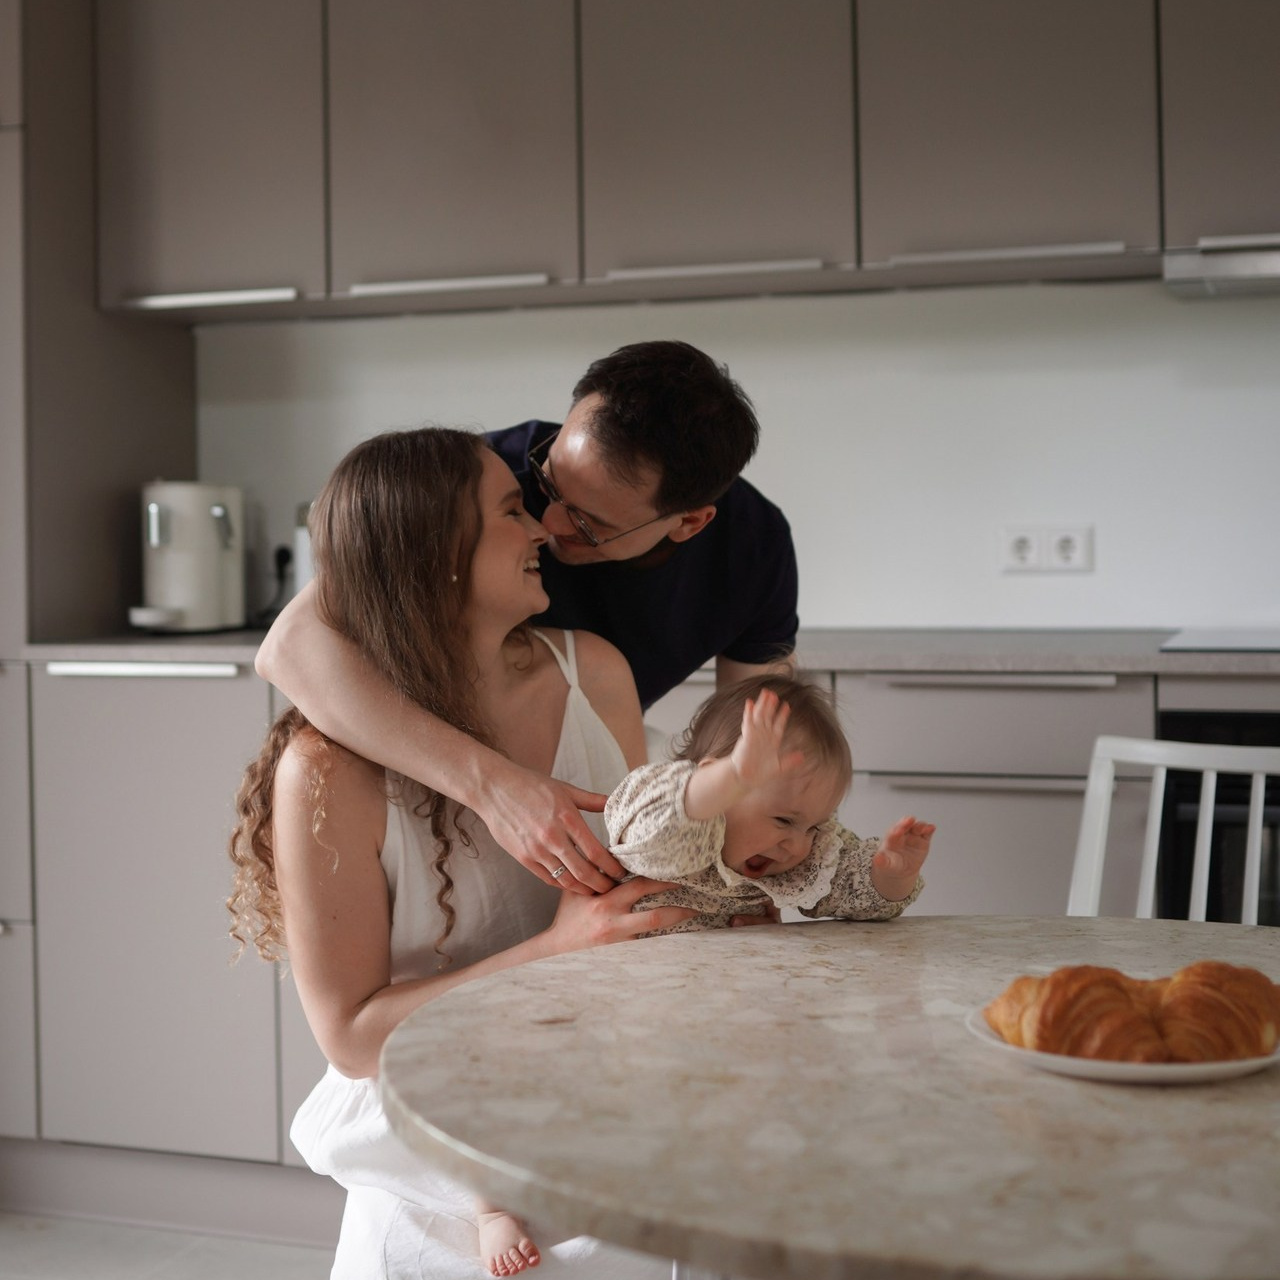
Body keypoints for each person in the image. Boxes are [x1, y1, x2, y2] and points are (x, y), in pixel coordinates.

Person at [227, 426, 698, 1280]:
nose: (544, 533)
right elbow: (352, 1038)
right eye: (514, 511)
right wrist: (555, 950)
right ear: (437, 554)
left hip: (602, 1109)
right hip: (431, 1147)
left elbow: (642, 899)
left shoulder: (595, 674)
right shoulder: (325, 769)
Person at [255, 340, 798, 894]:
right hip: (429, 773)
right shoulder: (480, 480)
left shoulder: (755, 551)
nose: (547, 522)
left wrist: (748, 874)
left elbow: (753, 739)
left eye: (588, 525)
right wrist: (496, 788)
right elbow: (290, 644)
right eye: (547, 484)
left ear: (689, 524)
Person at [604, 675, 934, 931]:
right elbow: (658, 825)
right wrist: (732, 775)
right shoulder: (670, 833)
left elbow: (850, 887)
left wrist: (890, 875)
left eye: (812, 827)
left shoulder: (801, 860)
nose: (798, 844)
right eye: (784, 821)